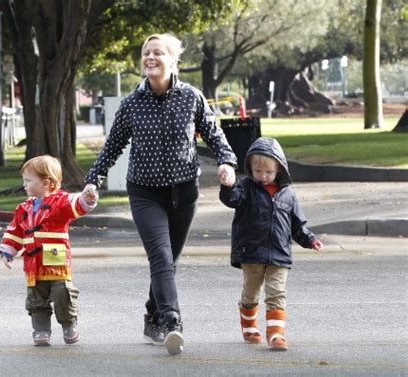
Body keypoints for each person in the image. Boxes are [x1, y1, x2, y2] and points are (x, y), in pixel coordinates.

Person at [82, 33, 237, 355]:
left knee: (169, 261)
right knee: (161, 258)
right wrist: (93, 180)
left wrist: (227, 163)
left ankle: (151, 316)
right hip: (145, 192)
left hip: (184, 192)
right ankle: (171, 321)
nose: (150, 58)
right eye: (146, 53)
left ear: (172, 60)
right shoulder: (131, 104)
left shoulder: (191, 97)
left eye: (158, 53)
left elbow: (214, 134)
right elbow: (112, 148)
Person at [219, 137, 323, 351]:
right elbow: (232, 200)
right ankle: (249, 326)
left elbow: (297, 225)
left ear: (279, 170)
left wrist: (310, 239)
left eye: (268, 172)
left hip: (279, 254)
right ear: (251, 168)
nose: (262, 176)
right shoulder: (246, 187)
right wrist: (227, 186)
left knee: (277, 293)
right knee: (251, 293)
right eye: (257, 171)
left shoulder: (288, 195)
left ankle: (276, 334)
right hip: (252, 253)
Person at [0, 155, 98, 347]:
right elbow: (15, 231)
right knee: (36, 298)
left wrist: (87, 198)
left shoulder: (60, 202)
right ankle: (41, 330)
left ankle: (69, 324)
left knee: (63, 293)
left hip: (56, 261)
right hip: (33, 264)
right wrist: (8, 251)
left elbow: (76, 204)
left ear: (46, 182)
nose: (24, 185)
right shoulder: (24, 208)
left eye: (28, 181)